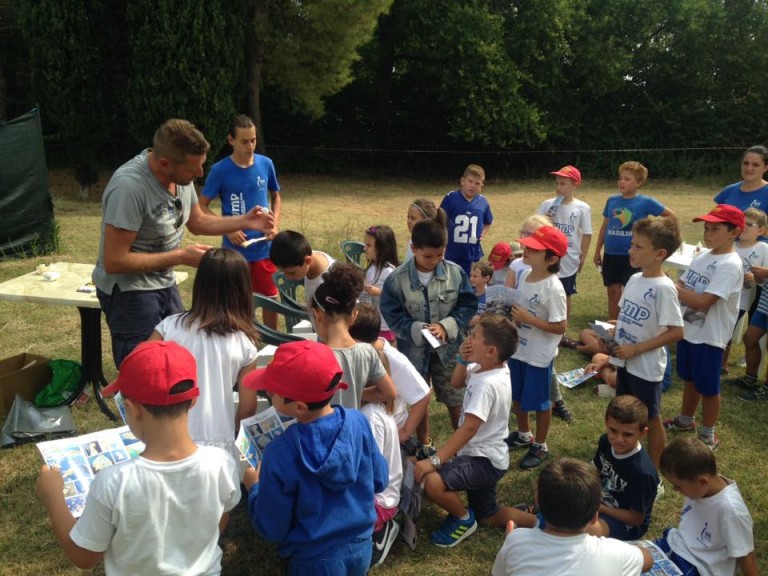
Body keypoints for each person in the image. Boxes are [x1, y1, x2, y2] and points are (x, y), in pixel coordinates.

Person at [36, 341, 241, 575]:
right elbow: (219, 523)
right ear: (194, 399)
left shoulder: (112, 483)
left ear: (132, 410)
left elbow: (83, 556)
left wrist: (52, 495)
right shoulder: (222, 462)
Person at [93, 119, 273, 368]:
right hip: (129, 291)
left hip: (163, 281)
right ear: (165, 163)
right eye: (194, 169)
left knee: (180, 357)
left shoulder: (181, 178)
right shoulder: (129, 188)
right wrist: (180, 257)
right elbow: (115, 261)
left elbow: (197, 221)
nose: (200, 174)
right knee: (144, 368)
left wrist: (245, 221)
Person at [241, 340, 388, 575]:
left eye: (272, 390)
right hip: (361, 547)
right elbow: (380, 480)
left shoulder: (278, 453)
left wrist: (255, 487)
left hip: (311, 560)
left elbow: (272, 528)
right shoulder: (359, 422)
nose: (267, 391)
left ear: (299, 407)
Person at [414, 313, 521, 547]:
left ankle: (463, 519)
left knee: (432, 482)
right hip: (491, 457)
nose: (468, 339)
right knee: (488, 515)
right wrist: (462, 361)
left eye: (474, 336)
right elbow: (456, 383)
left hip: (483, 459)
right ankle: (540, 521)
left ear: (491, 350)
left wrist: (435, 460)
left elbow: (469, 428)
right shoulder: (488, 367)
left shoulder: (487, 384)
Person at [589, 217, 684, 468]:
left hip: (646, 367)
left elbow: (676, 332)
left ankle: (653, 471)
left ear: (659, 254)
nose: (631, 250)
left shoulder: (664, 288)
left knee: (650, 419)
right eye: (632, 244)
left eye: (639, 247)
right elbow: (623, 320)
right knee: (624, 414)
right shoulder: (634, 280)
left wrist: (636, 349)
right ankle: (623, 459)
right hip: (625, 363)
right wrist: (610, 341)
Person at [148, 248, 260, 457]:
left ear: (200, 284)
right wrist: (234, 429)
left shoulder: (168, 327)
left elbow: (141, 370)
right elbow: (247, 408)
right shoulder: (246, 343)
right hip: (218, 443)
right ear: (243, 288)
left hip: (167, 437)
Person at [381, 217, 478, 430]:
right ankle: (424, 444)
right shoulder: (397, 280)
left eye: (440, 255)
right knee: (418, 397)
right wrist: (416, 329)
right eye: (427, 256)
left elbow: (468, 304)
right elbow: (392, 314)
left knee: (456, 397)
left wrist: (447, 325)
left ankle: (460, 445)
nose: (434, 261)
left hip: (450, 350)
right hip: (414, 351)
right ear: (413, 248)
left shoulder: (455, 273)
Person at [665, 205, 744, 450]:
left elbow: (704, 301)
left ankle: (708, 434)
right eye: (706, 228)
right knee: (690, 378)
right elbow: (684, 282)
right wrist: (676, 287)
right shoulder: (703, 256)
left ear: (734, 232)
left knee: (708, 387)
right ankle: (686, 420)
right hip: (689, 331)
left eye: (716, 229)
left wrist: (671, 287)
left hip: (710, 337)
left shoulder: (730, 264)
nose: (708, 234)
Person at [491, 457, 653, 576]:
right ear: (595, 516)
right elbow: (648, 559)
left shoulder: (516, 541)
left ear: (538, 501)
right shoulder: (615, 552)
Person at [199, 114, 282, 329]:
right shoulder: (219, 170)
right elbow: (202, 205)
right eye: (244, 141)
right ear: (231, 140)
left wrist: (275, 224)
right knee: (235, 301)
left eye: (253, 140)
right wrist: (227, 229)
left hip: (264, 246)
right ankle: (240, 341)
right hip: (235, 249)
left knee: (270, 298)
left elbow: (276, 196)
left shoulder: (266, 164)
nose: (250, 146)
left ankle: (270, 342)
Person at [506, 226, 568, 469]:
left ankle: (541, 445)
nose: (526, 250)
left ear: (551, 258)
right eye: (527, 246)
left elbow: (560, 326)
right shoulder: (525, 276)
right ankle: (524, 434)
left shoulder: (553, 288)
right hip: (519, 349)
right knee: (518, 395)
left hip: (538, 356)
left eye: (534, 249)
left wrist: (528, 319)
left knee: (541, 402)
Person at [655, 437, 758, 576]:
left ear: (703, 481)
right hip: (672, 545)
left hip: (697, 566)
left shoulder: (731, 510)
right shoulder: (700, 488)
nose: (676, 491)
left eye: (678, 486)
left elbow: (746, 556)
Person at [349, 302, 433, 458]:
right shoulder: (360, 354)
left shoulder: (393, 359)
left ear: (357, 341)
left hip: (386, 429)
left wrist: (405, 432)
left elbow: (423, 394)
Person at [593, 161, 675, 320]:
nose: (622, 182)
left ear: (638, 182)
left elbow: (671, 216)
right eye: (620, 178)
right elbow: (605, 226)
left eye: (627, 179)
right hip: (611, 254)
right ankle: (612, 327)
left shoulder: (645, 202)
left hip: (632, 256)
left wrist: (653, 231)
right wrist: (597, 251)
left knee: (633, 293)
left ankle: (630, 325)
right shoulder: (612, 200)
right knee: (613, 293)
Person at [310, 263, 397, 409]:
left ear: (316, 314)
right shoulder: (367, 352)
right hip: (352, 428)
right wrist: (354, 392)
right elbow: (390, 393)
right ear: (354, 315)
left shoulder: (314, 357)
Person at [589, 396, 658, 540]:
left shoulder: (642, 472)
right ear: (606, 423)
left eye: (627, 434)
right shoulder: (605, 441)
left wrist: (599, 508)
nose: (619, 439)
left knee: (584, 531)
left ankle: (539, 521)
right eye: (613, 430)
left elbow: (636, 519)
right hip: (600, 501)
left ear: (643, 433)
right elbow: (596, 470)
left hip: (624, 523)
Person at [360, 351, 403, 568]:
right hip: (378, 495)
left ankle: (381, 531)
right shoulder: (372, 411)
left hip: (379, 501)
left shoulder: (370, 416)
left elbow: (371, 472)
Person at [537, 165, 593, 321]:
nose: (558, 187)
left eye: (563, 184)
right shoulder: (547, 205)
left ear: (574, 185)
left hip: (569, 257)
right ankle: (543, 320)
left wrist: (582, 257)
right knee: (545, 287)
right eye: (557, 183)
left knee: (565, 291)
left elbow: (587, 234)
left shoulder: (582, 208)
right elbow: (534, 227)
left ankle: (562, 327)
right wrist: (544, 221)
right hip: (547, 255)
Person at [722, 207, 768, 376]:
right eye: (742, 223)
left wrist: (755, 278)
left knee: (747, 334)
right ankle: (722, 365)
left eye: (750, 224)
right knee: (727, 329)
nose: (745, 226)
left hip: (751, 299)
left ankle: (747, 372)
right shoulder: (731, 244)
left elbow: (764, 278)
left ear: (761, 230)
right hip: (727, 296)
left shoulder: (763, 247)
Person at [440, 164, 494, 275]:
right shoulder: (451, 198)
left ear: (481, 186)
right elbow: (440, 220)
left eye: (477, 183)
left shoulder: (483, 202)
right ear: (462, 181)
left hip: (472, 253)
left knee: (471, 283)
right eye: (470, 181)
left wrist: (483, 233)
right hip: (452, 251)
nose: (473, 186)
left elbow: (488, 222)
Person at [269, 230, 335, 313]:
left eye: (292, 273)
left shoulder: (329, 285)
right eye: (284, 272)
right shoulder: (307, 255)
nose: (288, 277)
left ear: (308, 260)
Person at [361, 224, 400, 343]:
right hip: (372, 323)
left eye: (369, 245)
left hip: (385, 326)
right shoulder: (372, 267)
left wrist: (380, 293)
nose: (364, 248)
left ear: (382, 248)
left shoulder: (389, 272)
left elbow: (399, 299)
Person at [714, 145, 768, 219]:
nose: (749, 168)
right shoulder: (729, 191)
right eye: (746, 163)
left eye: (755, 165)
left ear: (765, 168)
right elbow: (716, 223)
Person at [504, 214, 552, 289]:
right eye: (522, 232)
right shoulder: (516, 264)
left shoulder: (546, 268)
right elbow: (507, 294)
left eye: (529, 234)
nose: (523, 237)